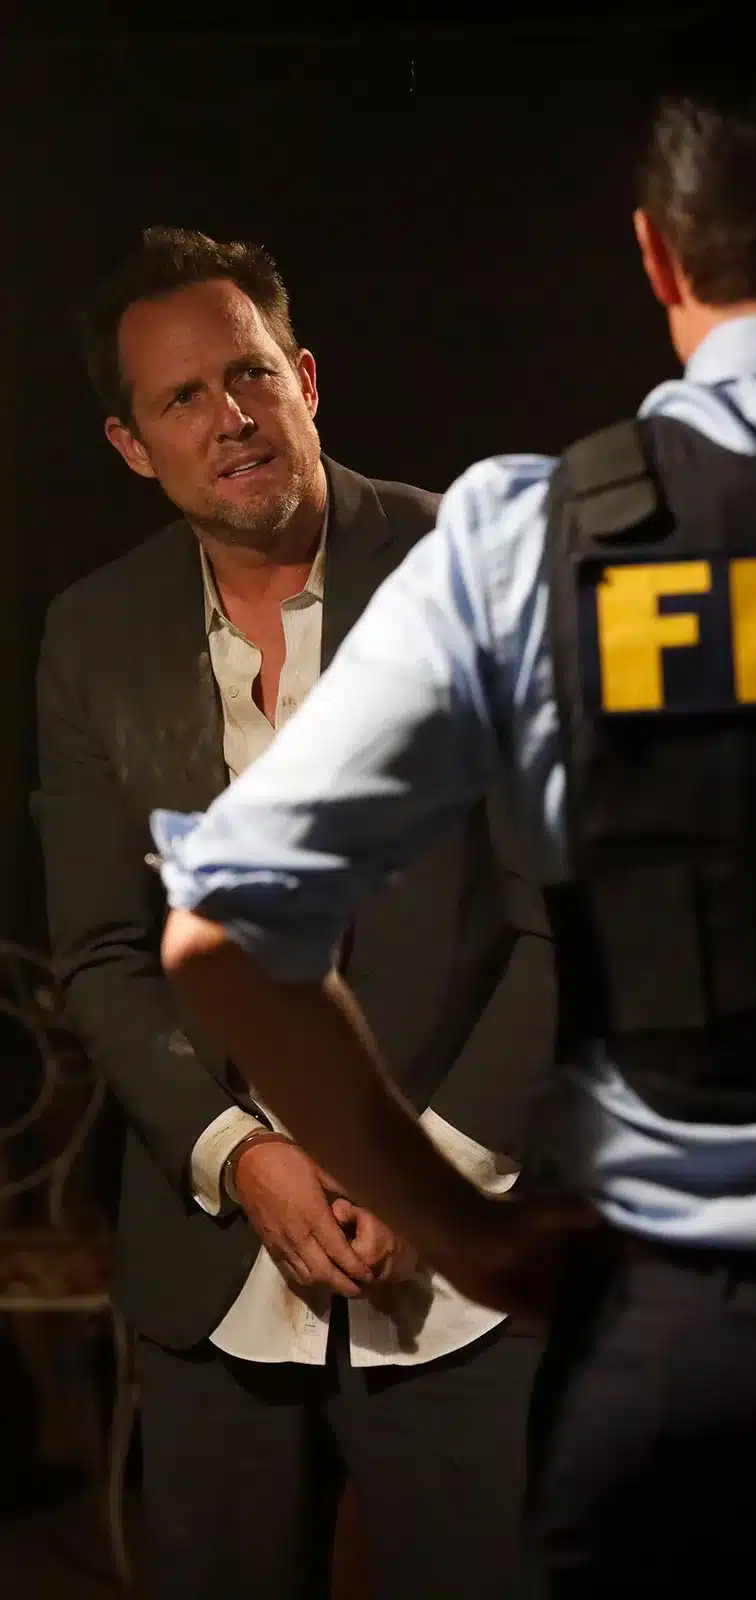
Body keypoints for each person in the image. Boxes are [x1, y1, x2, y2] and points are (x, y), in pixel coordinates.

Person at [155, 12, 756, 1597]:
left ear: (654, 252)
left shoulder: (528, 541)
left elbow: (222, 933)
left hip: (684, 1367)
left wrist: (469, 1231)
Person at [35, 226, 554, 1600]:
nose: (232, 418)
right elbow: (102, 952)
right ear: (131, 446)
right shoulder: (91, 636)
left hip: (468, 1268)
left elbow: (568, 921)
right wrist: (237, 1155)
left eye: (251, 374)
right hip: (213, 1275)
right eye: (183, 399)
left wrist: (430, 1168)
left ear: (305, 379)